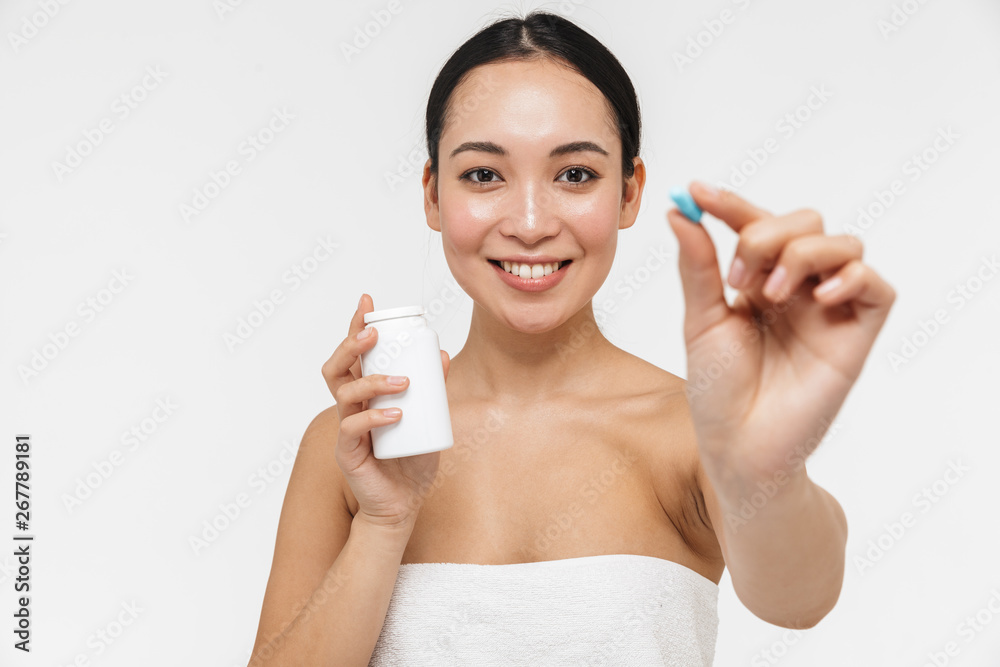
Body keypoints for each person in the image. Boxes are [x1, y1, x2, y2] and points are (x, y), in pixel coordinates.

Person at [246, 10, 896, 666]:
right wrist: (384, 522)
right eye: (483, 175)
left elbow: (800, 598)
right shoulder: (356, 443)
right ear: (433, 193)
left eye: (576, 175)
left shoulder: (696, 429)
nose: (530, 223)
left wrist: (764, 469)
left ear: (628, 191)